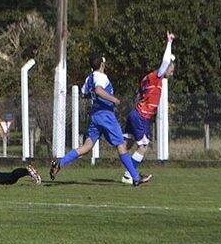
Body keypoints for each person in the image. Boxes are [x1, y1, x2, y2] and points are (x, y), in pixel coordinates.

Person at [49, 53, 152, 186]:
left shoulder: (89, 78)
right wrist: (113, 99)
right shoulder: (101, 77)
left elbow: (84, 94)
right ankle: (135, 177)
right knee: (121, 145)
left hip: (95, 115)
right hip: (106, 116)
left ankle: (60, 163)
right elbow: (98, 90)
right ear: (102, 64)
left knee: (86, 147)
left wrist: (95, 97)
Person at [121, 31, 175, 184]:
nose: (172, 72)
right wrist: (169, 42)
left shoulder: (146, 79)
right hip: (141, 115)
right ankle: (128, 174)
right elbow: (165, 62)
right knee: (143, 146)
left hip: (135, 113)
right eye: (171, 69)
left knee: (127, 144)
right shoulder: (155, 77)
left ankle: (129, 170)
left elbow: (139, 96)